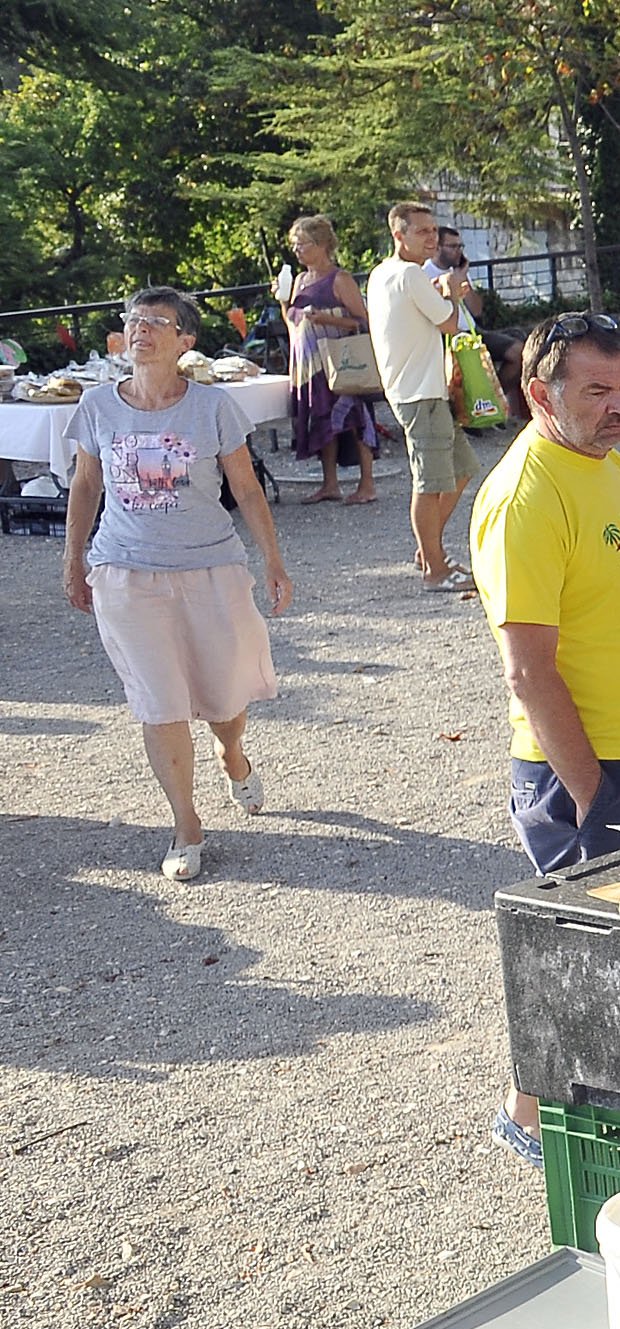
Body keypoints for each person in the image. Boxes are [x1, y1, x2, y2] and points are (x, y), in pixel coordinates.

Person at [471, 310, 620, 1162]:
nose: (619, 406)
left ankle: (570, 1109)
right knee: (582, 952)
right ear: (539, 393)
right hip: (589, 770)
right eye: (595, 391)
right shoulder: (525, 496)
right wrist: (593, 790)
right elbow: (528, 670)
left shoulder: (607, 465)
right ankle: (531, 1121)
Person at [60, 286, 296, 883]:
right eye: (133, 320)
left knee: (222, 696)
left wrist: (272, 559)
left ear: (185, 341)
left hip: (210, 566)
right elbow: (86, 488)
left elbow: (245, 488)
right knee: (159, 699)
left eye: (156, 322)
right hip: (125, 571)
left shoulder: (212, 407)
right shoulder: (96, 406)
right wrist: (73, 560)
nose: (140, 330)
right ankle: (186, 823)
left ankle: (233, 754)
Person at [370, 199, 483, 592]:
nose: (432, 238)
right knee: (430, 481)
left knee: (461, 467)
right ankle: (434, 568)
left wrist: (439, 291)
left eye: (434, 231)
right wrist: (451, 291)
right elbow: (451, 323)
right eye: (422, 231)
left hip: (419, 388)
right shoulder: (410, 276)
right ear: (398, 234)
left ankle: (429, 549)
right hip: (420, 392)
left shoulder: (384, 273)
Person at [275, 215, 385, 505]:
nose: (296, 250)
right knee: (321, 420)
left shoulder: (340, 279)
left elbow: (362, 319)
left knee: (355, 417)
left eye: (302, 244)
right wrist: (284, 301)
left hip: (340, 360)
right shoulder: (299, 280)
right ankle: (330, 484)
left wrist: (326, 318)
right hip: (311, 365)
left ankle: (367, 484)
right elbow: (293, 323)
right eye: (294, 245)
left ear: (322, 244)